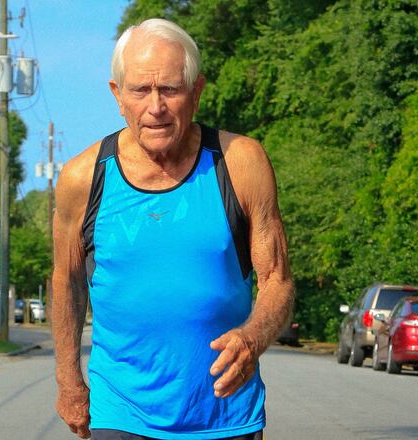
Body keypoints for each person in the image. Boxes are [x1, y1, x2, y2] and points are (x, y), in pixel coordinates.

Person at [52, 18, 294, 440]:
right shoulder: (82, 178)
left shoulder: (241, 164)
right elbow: (67, 278)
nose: (155, 107)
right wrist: (67, 378)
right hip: (120, 411)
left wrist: (253, 338)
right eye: (140, 90)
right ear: (118, 95)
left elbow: (278, 279)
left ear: (196, 92)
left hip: (225, 414)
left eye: (170, 89)